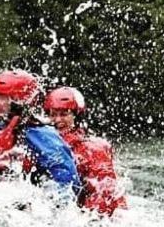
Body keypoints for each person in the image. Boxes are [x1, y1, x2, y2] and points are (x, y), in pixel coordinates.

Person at [43, 86, 127, 216]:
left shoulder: (93, 149)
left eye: (64, 114)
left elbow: (106, 191)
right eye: (53, 115)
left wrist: (88, 220)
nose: (58, 120)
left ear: (77, 116)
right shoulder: (43, 144)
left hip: (93, 216)